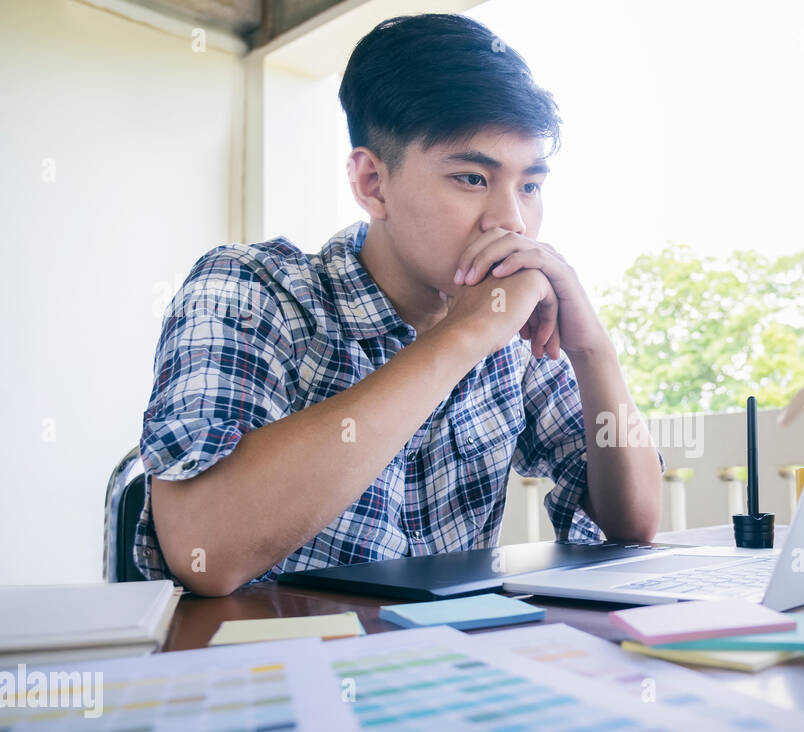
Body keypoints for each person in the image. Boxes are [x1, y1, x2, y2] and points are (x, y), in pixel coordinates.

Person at [134, 13, 662, 597]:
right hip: (270, 666)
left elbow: (634, 524)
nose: (512, 220)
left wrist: (594, 352)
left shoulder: (513, 329)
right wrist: (459, 338)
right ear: (372, 183)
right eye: (471, 178)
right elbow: (204, 549)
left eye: (530, 185)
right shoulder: (249, 288)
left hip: (447, 666)